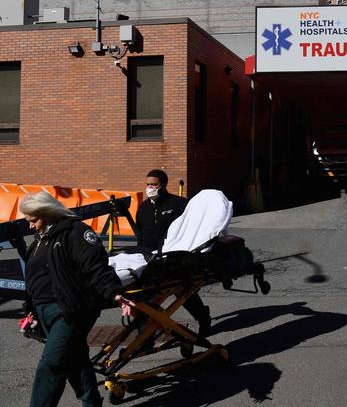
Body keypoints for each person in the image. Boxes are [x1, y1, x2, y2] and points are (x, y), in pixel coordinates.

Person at [21, 191, 133, 407]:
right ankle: (92, 402)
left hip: (70, 311)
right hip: (45, 313)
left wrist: (115, 293)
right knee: (75, 360)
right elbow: (36, 278)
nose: (31, 226)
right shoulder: (39, 241)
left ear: (47, 212)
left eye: (34, 220)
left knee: (51, 364)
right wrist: (31, 310)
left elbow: (97, 267)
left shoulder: (75, 232)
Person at [135, 169, 211, 335]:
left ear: (163, 185)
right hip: (151, 259)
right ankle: (145, 336)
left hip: (174, 258)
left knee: (182, 292)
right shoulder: (143, 208)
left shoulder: (178, 205)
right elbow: (141, 235)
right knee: (147, 298)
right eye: (148, 184)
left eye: (154, 184)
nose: (150, 188)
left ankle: (203, 317)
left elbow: (192, 230)